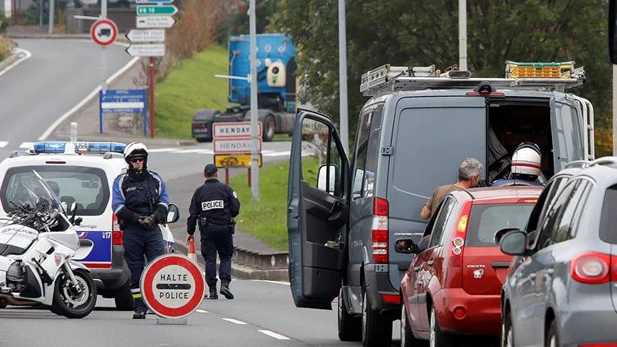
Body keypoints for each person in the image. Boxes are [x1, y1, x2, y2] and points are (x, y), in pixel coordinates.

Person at [112, 142, 169, 319]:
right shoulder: (120, 181)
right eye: (135, 160)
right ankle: (139, 307)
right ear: (129, 162)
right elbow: (117, 206)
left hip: (153, 230)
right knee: (136, 271)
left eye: (141, 160)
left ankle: (158, 305)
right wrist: (137, 219)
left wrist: (153, 218)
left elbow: (164, 202)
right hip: (132, 231)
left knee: (158, 267)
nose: (138, 163)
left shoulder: (156, 179)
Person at [186, 164, 240, 300]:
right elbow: (235, 209)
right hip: (224, 228)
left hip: (207, 230)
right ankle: (225, 284)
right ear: (216, 174)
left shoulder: (199, 192)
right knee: (226, 256)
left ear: (204, 175)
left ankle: (212, 290)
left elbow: (193, 214)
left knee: (210, 259)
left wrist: (190, 231)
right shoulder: (226, 189)